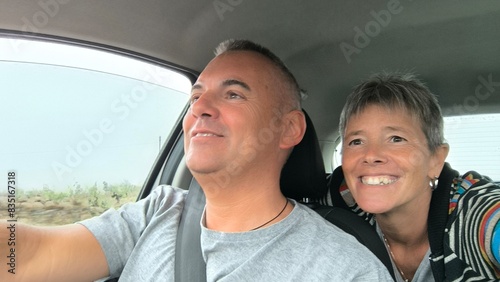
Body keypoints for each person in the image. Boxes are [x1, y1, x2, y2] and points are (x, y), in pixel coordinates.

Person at [0, 40, 392, 281]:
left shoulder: (346, 268)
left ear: (288, 130)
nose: (199, 108)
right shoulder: (157, 213)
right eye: (196, 96)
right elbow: (29, 256)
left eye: (233, 94)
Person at [325, 72, 500, 281]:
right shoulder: (340, 201)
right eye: (356, 141)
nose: (371, 155)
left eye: (396, 138)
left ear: (435, 159)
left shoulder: (475, 214)